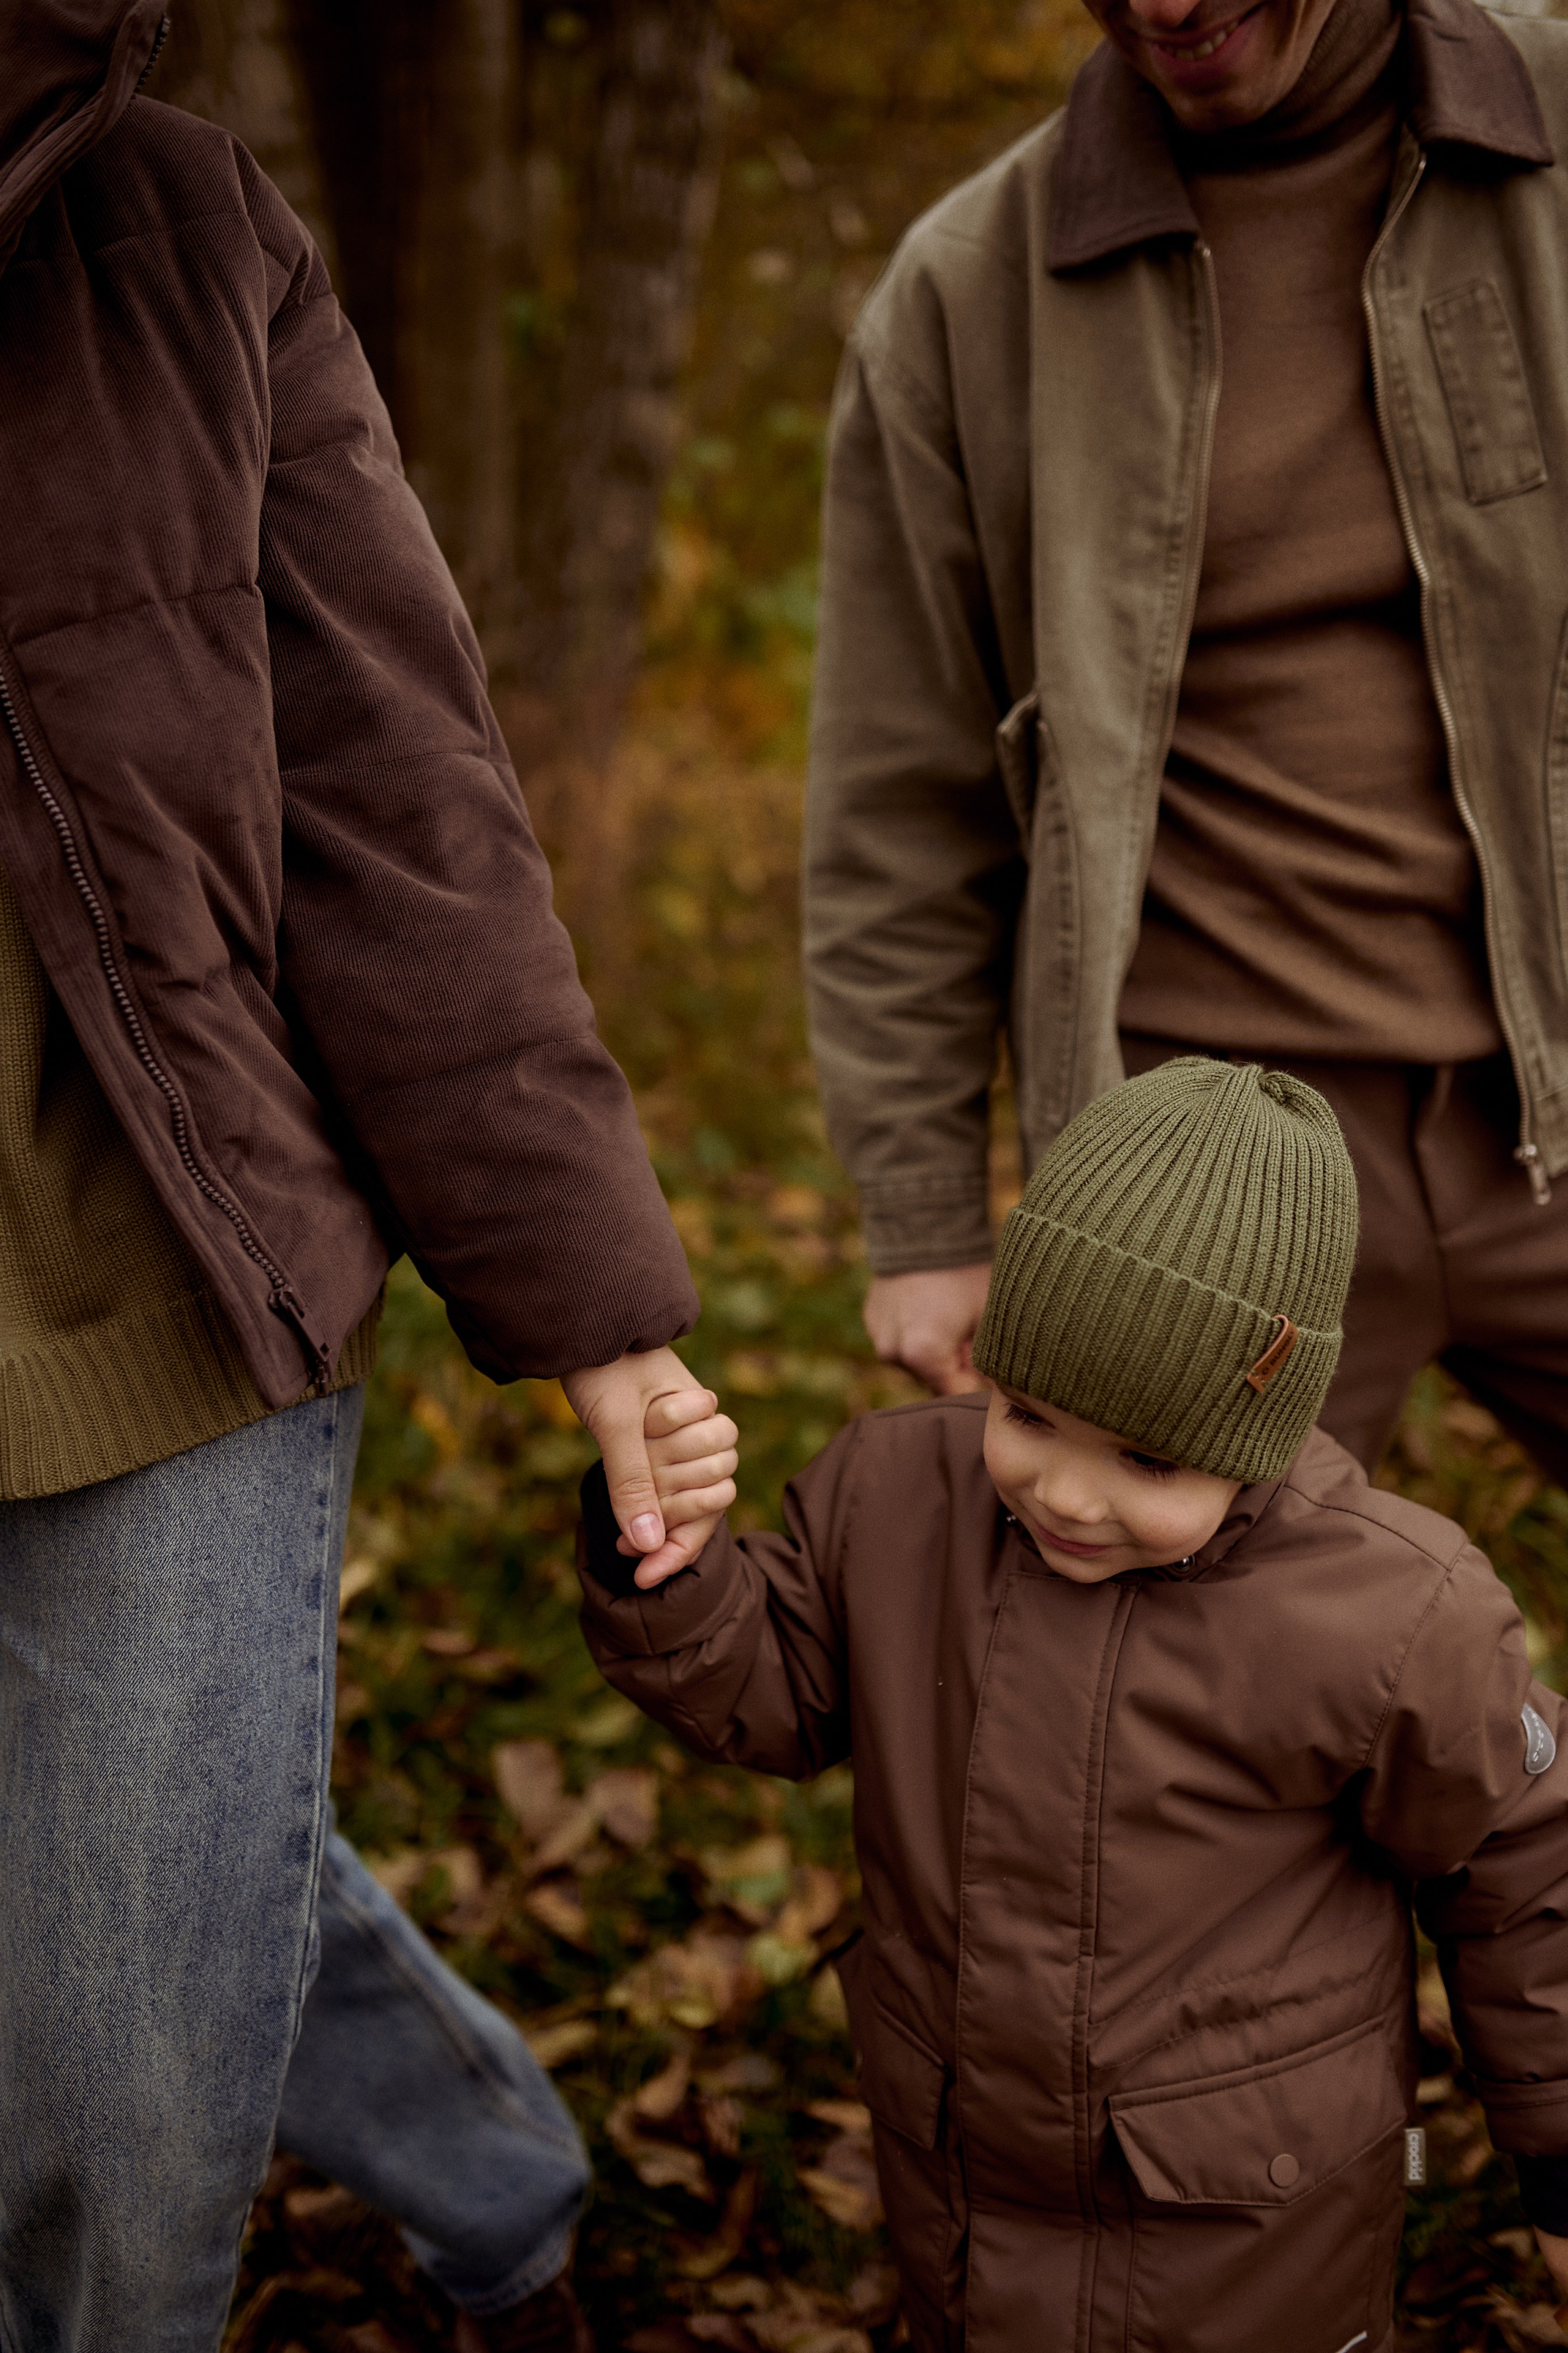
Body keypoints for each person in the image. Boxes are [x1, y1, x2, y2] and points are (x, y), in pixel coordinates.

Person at [0, 6, 722, 2350]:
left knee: (113, 2080)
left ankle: (492, 2217)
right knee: (135, 1872)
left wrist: (600, 1315)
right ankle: (497, 2169)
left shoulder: (178, 228)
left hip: (161, 1279)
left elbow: (403, 803)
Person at [576, 1060, 1568, 2353]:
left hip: (1242, 2235)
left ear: (1257, 1441)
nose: (1066, 1493)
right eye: (1029, 1414)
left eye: (1148, 1459)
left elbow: (1525, 1864)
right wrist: (670, 1561)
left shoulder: (1385, 1616)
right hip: (964, 2185)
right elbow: (773, 1686)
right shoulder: (898, 1498)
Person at [804, 0, 1568, 1485]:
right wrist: (923, 1218)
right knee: (1147, 1635)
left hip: (1547, 1087)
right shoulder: (967, 293)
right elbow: (899, 805)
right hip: (1199, 1183)